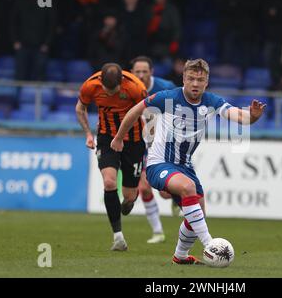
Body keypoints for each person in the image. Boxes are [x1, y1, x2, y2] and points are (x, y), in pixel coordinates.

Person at [110, 59, 266, 264]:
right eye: (191, 78)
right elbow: (135, 110)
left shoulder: (211, 101)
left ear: (206, 82)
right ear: (184, 78)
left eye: (200, 80)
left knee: (197, 214)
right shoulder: (168, 97)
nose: (195, 83)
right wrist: (119, 138)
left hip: (185, 167)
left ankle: (180, 256)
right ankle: (211, 245)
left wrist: (252, 117)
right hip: (159, 164)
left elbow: (238, 115)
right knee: (188, 187)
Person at [75, 63, 147, 251]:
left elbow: (150, 113)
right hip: (107, 138)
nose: (110, 95)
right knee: (109, 183)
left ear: (122, 81)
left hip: (134, 140)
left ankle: (130, 199)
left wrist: (151, 137)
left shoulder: (136, 87)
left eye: (114, 91)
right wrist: (88, 134)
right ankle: (118, 237)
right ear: (101, 81)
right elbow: (80, 108)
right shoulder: (90, 85)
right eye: (107, 91)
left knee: (128, 195)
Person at [130, 55, 177, 243]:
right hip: (141, 144)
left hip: (164, 143)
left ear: (152, 72)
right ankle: (158, 231)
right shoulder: (128, 90)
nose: (141, 75)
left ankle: (175, 196)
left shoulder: (166, 87)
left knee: (165, 193)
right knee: (144, 188)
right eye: (137, 72)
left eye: (144, 71)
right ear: (132, 73)